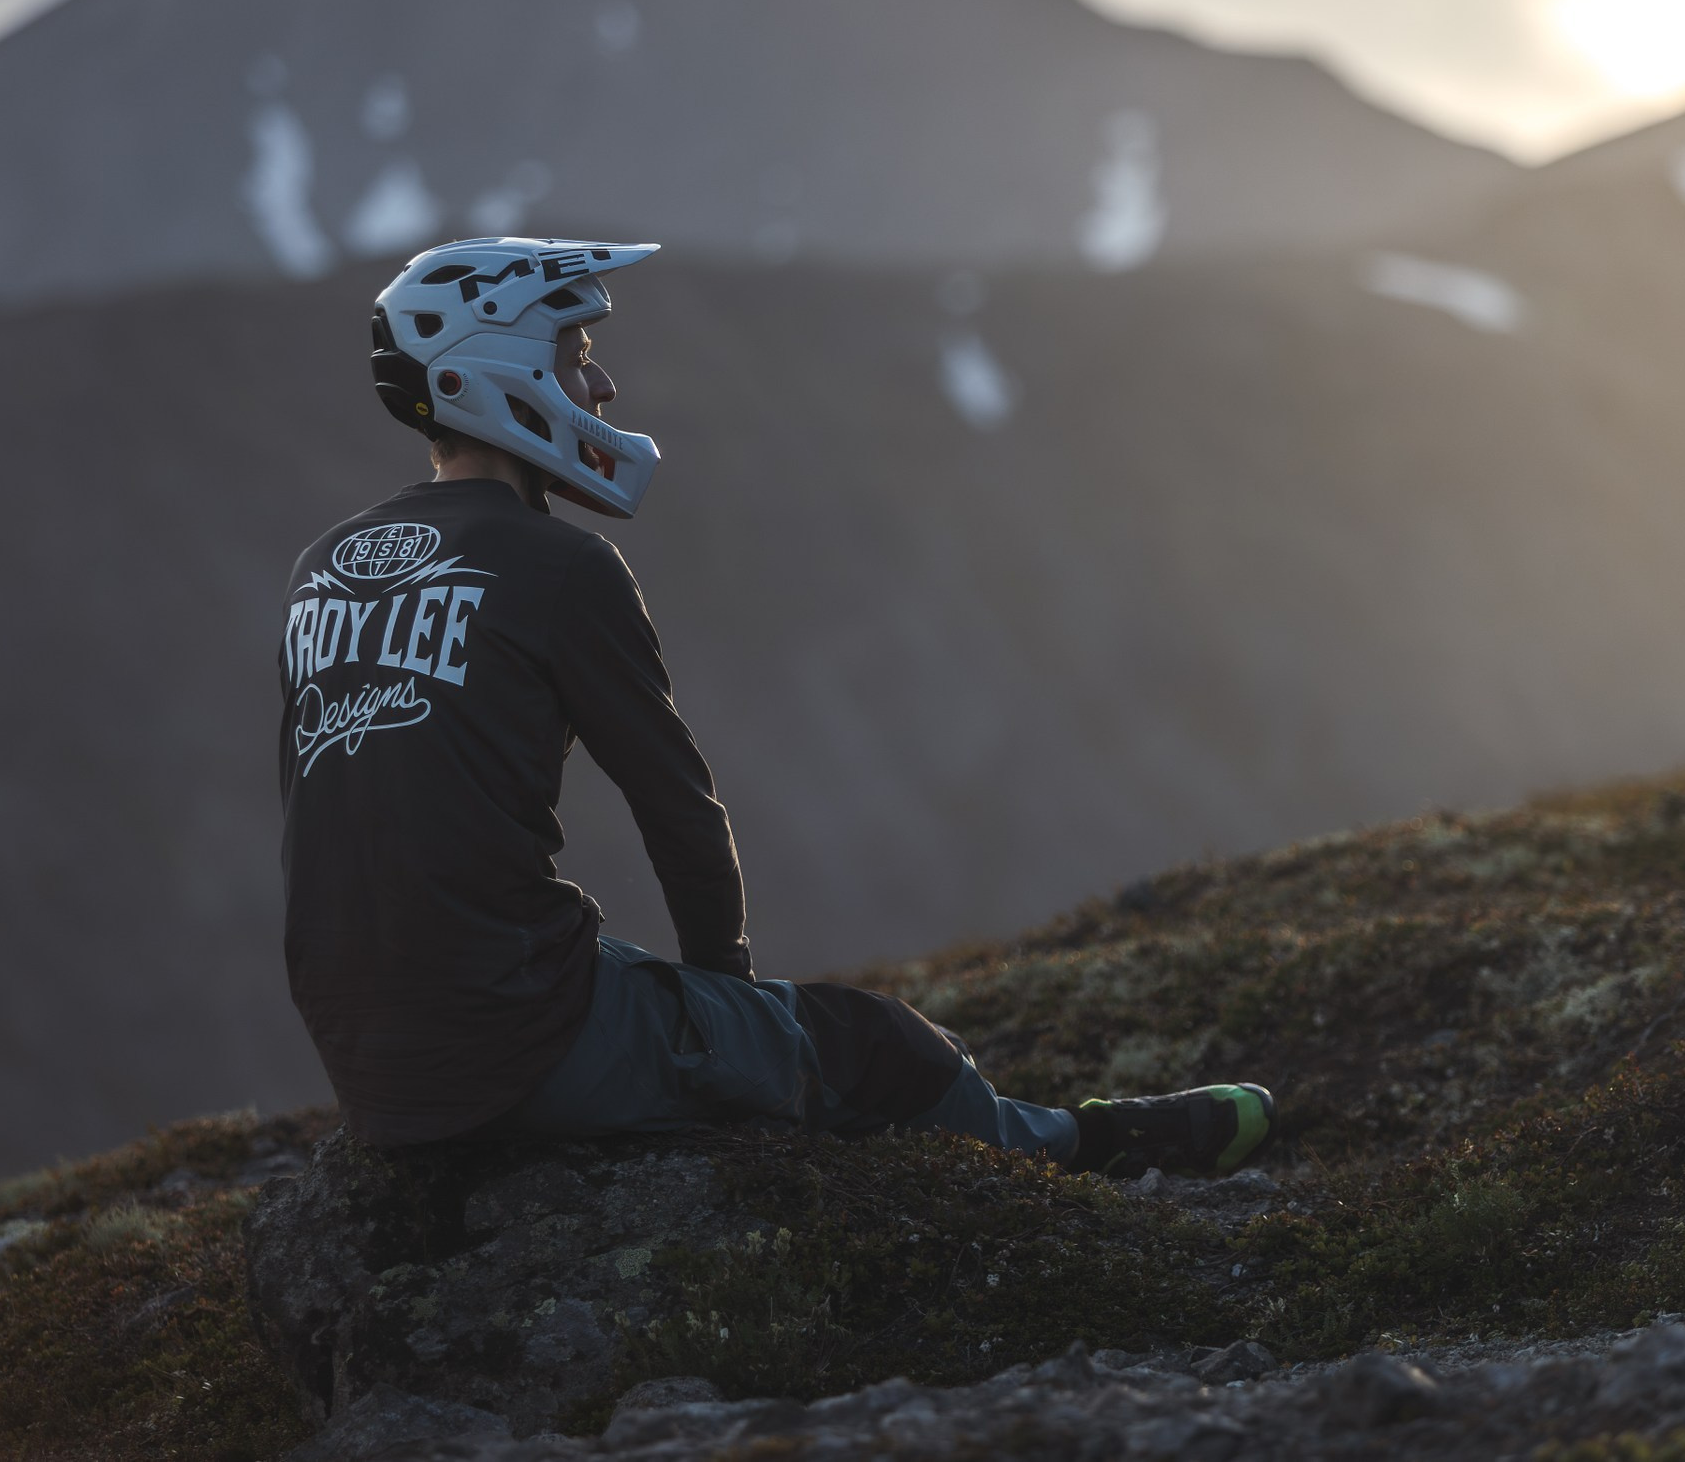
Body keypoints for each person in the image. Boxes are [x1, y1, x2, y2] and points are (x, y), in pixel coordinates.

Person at [278, 236, 1275, 1178]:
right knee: (875, 1044)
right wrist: (726, 995)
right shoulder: (560, 568)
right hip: (513, 1046)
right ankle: (1073, 1148)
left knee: (603, 961)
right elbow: (677, 806)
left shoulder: (319, 568)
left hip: (372, 1066)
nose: (602, 385)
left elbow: (331, 826)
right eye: (577, 355)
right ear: (501, 371)